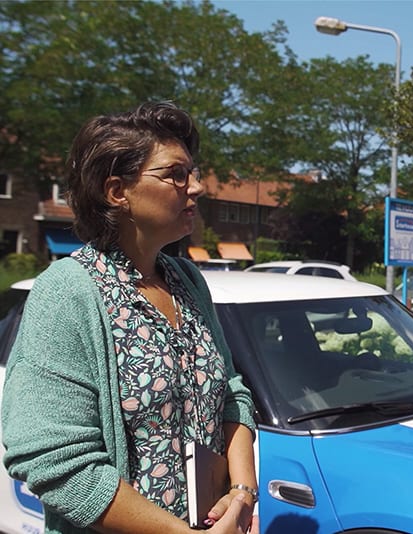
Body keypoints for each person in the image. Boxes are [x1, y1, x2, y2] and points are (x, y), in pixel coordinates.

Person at [2, 102, 258, 534]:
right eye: (176, 174)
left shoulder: (187, 280)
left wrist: (242, 492)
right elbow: (52, 459)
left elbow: (231, 392)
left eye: (193, 172)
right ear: (117, 191)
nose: (196, 187)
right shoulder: (67, 292)